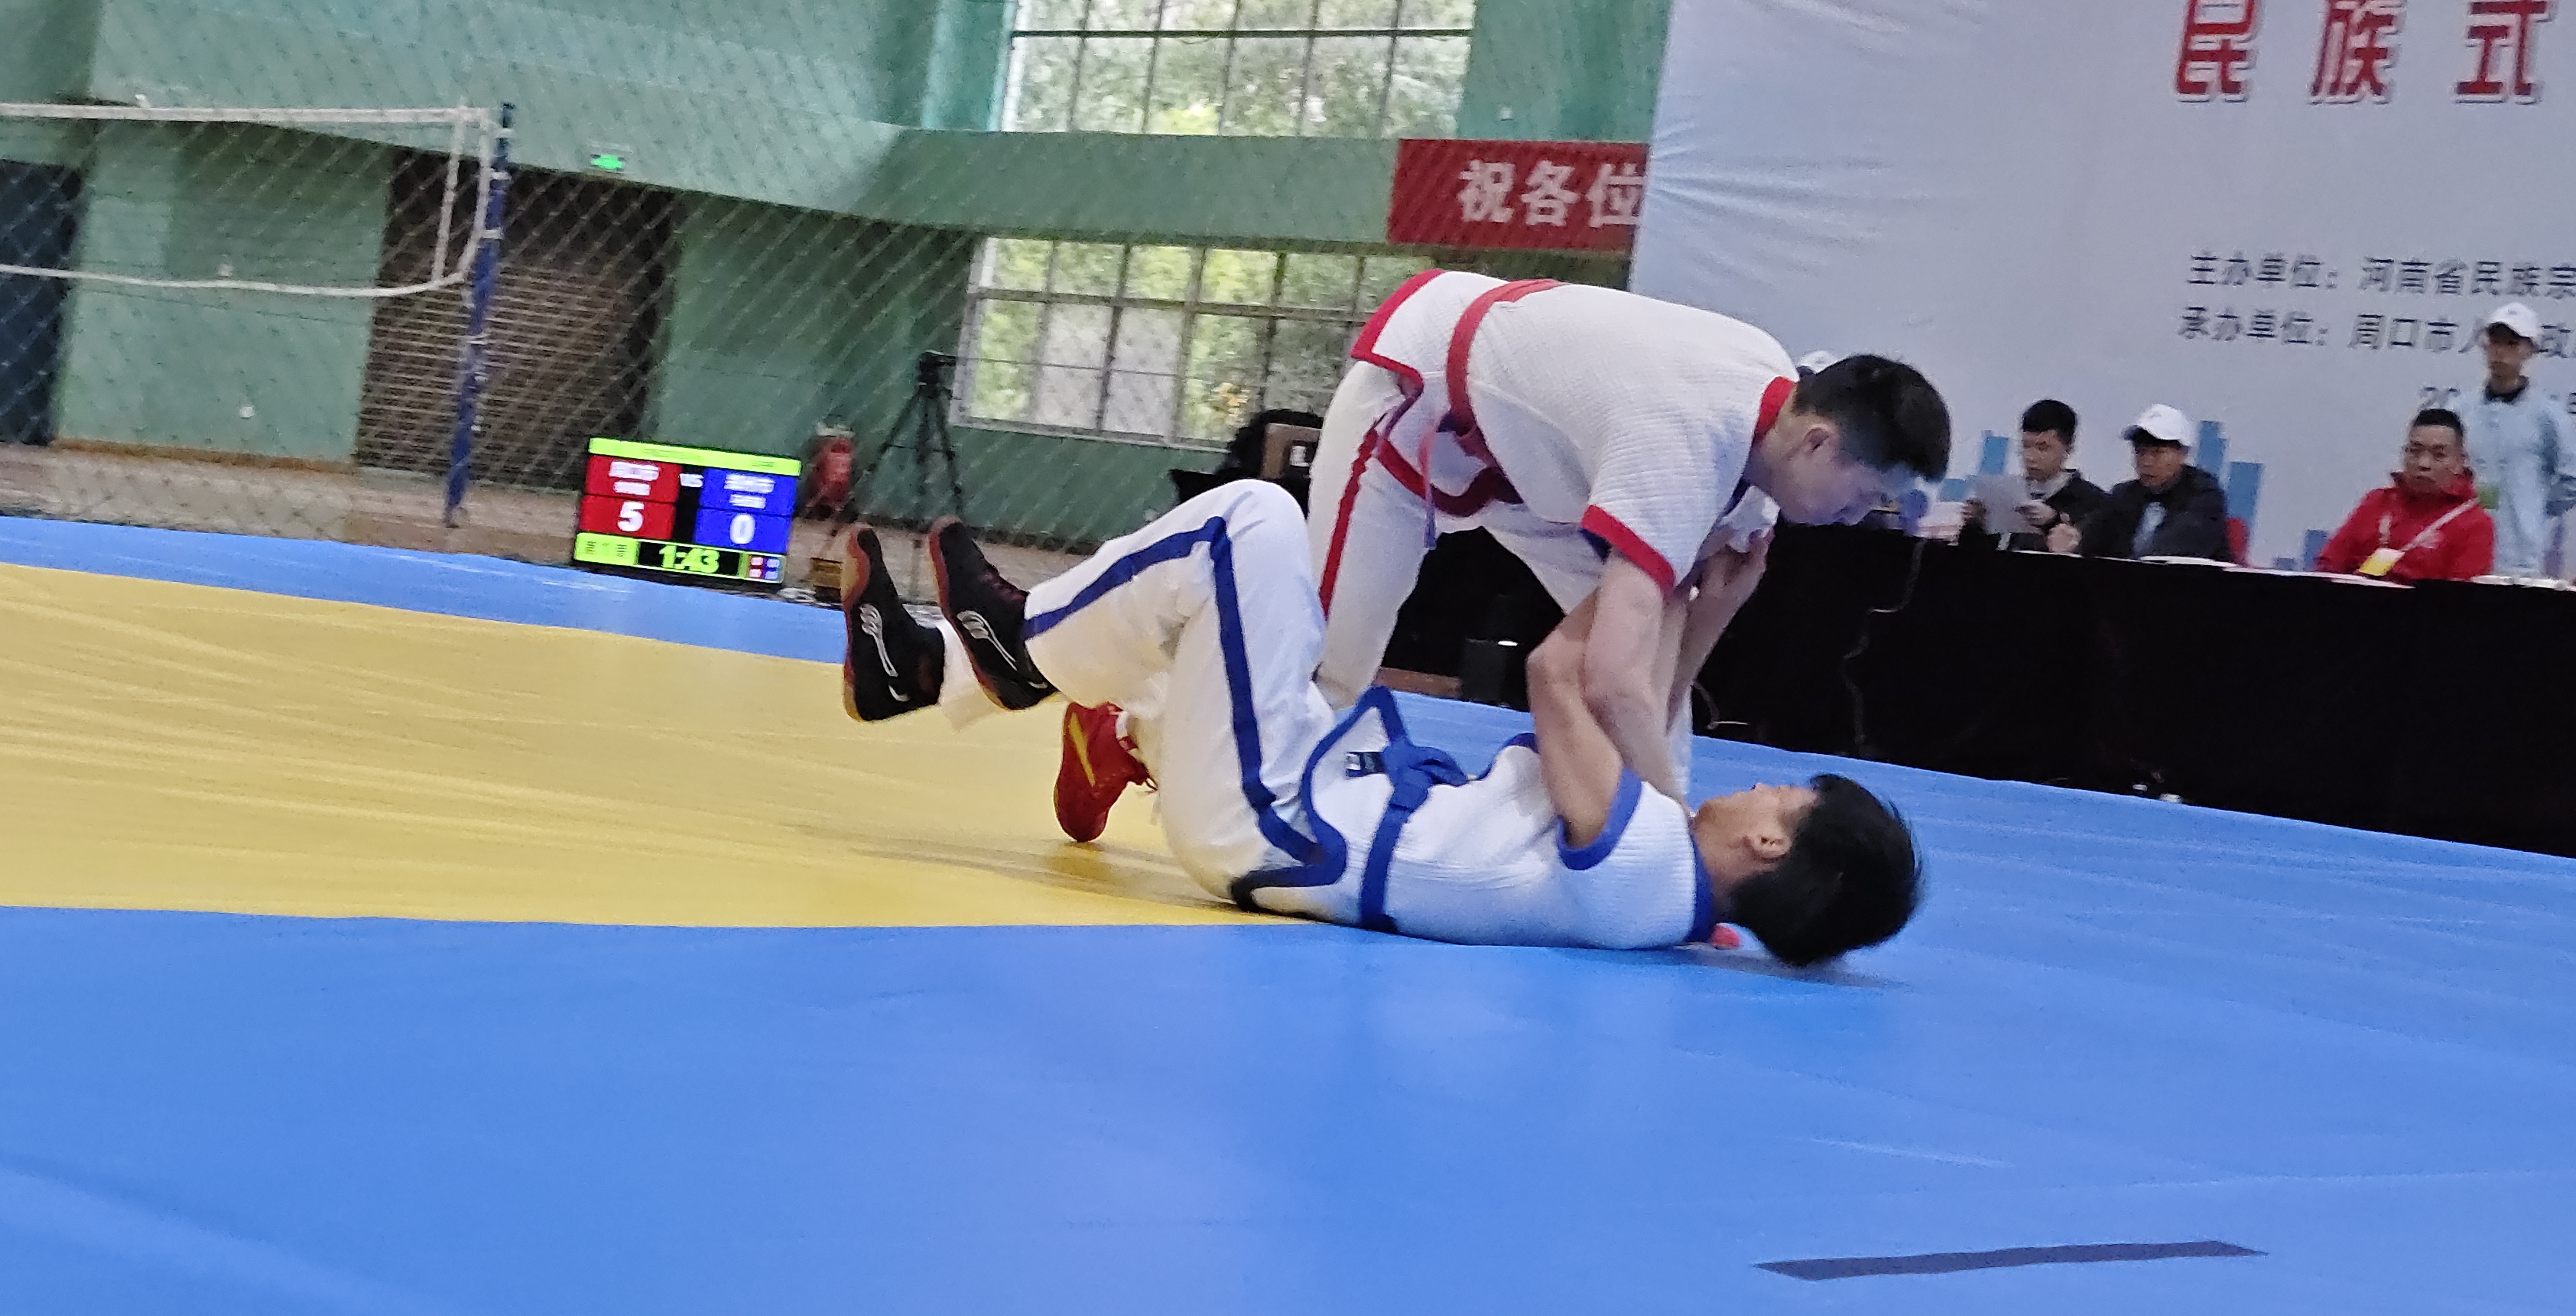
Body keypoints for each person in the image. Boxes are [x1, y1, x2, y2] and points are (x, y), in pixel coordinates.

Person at [835, 488, 1923, 963]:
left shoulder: (1643, 861)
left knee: (1250, 530)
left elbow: (1564, 675)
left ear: (1770, 842)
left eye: (1785, 797)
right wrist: (1708, 600)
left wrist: (1655, 544)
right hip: (1317, 792)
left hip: (1273, 820)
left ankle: (1022, 656)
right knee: (1200, 634)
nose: (1763, 784)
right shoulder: (1668, 891)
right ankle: (933, 672)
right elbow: (1648, 710)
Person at [1307, 270, 1950, 806]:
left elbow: (1660, 657)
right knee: (1331, 670)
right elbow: (1609, 681)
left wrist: (1719, 607)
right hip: (1417, 397)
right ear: (1818, 444)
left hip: (1541, 471)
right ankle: (1272, 816)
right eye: (1863, 495)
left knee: (1653, 724)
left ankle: (1620, 848)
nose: (1857, 517)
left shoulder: (1770, 448)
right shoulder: (1687, 445)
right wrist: (1676, 833)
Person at [2461, 301, 2576, 577]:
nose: (2501, 351)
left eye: (2512, 343)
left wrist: (2533, 507)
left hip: (2516, 553)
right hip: (2461, 545)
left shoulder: (2548, 415)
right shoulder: (2461, 410)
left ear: (2530, 349)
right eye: (2495, 341)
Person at [2313, 409, 2496, 582]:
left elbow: (2462, 596)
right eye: (2415, 451)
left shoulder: (2475, 523)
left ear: (2460, 462)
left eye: (2438, 455)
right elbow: (2328, 566)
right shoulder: (2376, 502)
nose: (2423, 464)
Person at [2063, 405, 2230, 561]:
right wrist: (2076, 538)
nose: (2147, 462)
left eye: (2158, 453)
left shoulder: (2204, 495)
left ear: (2183, 453)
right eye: (2140, 452)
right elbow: (2097, 529)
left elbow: (2176, 546)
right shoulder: (2125, 494)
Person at [1960, 398, 2103, 552]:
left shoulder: (2091, 501)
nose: (2031, 457)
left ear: (2069, 447)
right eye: (2026, 446)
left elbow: (2093, 551)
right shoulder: (2008, 492)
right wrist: (1976, 524)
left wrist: (2053, 522)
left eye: (2043, 448)